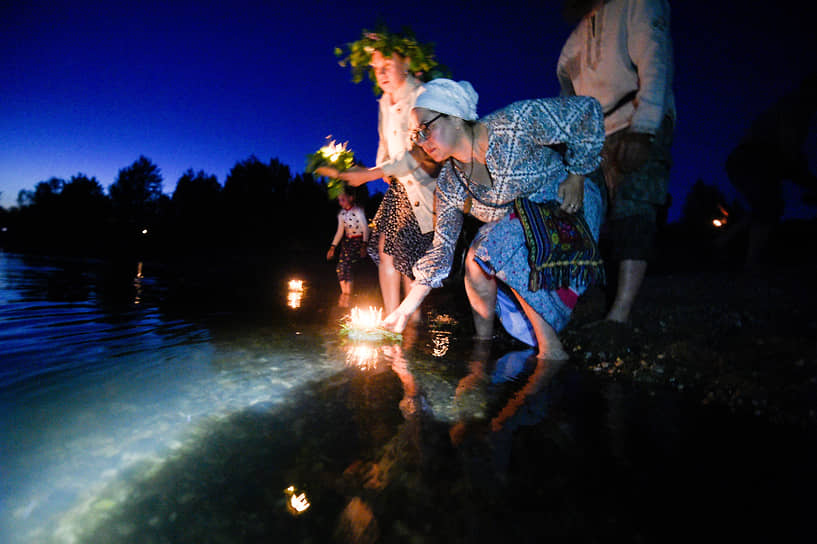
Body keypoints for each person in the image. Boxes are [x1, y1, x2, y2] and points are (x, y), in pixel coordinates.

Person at [382, 79, 606, 360]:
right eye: (416, 134)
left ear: (455, 117)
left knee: (494, 245)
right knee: (473, 261)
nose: (422, 141)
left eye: (426, 128)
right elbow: (442, 251)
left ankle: (552, 352)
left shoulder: (513, 125)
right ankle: (482, 348)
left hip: (567, 203)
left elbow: (587, 111)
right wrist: (403, 311)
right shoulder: (450, 182)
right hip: (524, 227)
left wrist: (577, 174)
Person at [557, 0, 676, 324]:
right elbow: (567, 94)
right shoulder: (574, 39)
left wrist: (645, 127)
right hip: (593, 136)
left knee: (633, 209)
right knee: (582, 214)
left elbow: (655, 60)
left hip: (632, 122)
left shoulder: (638, 4)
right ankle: (570, 301)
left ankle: (620, 312)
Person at [318, 30, 442, 322]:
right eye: (375, 68)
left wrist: (373, 174)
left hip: (426, 188)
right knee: (389, 252)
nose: (381, 73)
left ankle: (412, 321)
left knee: (407, 256)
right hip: (398, 189)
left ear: (407, 62)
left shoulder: (422, 96)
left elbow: (420, 153)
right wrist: (381, 165)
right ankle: (395, 319)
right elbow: (384, 143)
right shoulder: (384, 102)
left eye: (387, 65)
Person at [724, 72, 817, 270]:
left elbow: (790, 152)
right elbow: (788, 147)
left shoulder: (795, 107)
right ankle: (751, 264)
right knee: (769, 206)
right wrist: (805, 177)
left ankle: (721, 244)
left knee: (765, 207)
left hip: (749, 161)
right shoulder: (796, 106)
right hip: (750, 160)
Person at [326, 187, 369, 301]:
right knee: (340, 267)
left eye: (343, 199)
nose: (341, 202)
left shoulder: (358, 211)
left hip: (358, 240)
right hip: (347, 241)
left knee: (348, 266)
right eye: (339, 200)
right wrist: (333, 247)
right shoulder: (341, 214)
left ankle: (348, 295)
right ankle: (344, 294)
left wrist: (364, 245)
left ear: (350, 198)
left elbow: (365, 228)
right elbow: (340, 231)